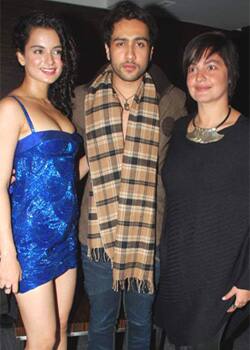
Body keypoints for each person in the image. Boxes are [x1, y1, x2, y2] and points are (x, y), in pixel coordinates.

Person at [72, 1, 186, 349]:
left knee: (140, 322)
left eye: (140, 43)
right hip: (97, 235)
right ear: (108, 48)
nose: (130, 53)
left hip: (148, 234)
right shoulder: (80, 100)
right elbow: (65, 161)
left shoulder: (174, 100)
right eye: (121, 42)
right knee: (102, 322)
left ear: (151, 50)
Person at [155, 31, 250, 350]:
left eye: (211, 66)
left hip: (221, 272)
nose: (199, 75)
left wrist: (248, 278)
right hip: (178, 266)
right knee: (173, 339)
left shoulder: (246, 136)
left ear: (230, 74)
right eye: (193, 67)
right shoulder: (180, 130)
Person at [0, 12, 88, 350]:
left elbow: (65, 179)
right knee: (42, 338)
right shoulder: (11, 108)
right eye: (38, 51)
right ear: (21, 55)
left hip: (64, 236)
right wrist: (7, 254)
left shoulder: (59, 110)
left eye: (56, 51)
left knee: (63, 331)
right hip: (29, 241)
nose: (49, 60)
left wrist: (97, 157)